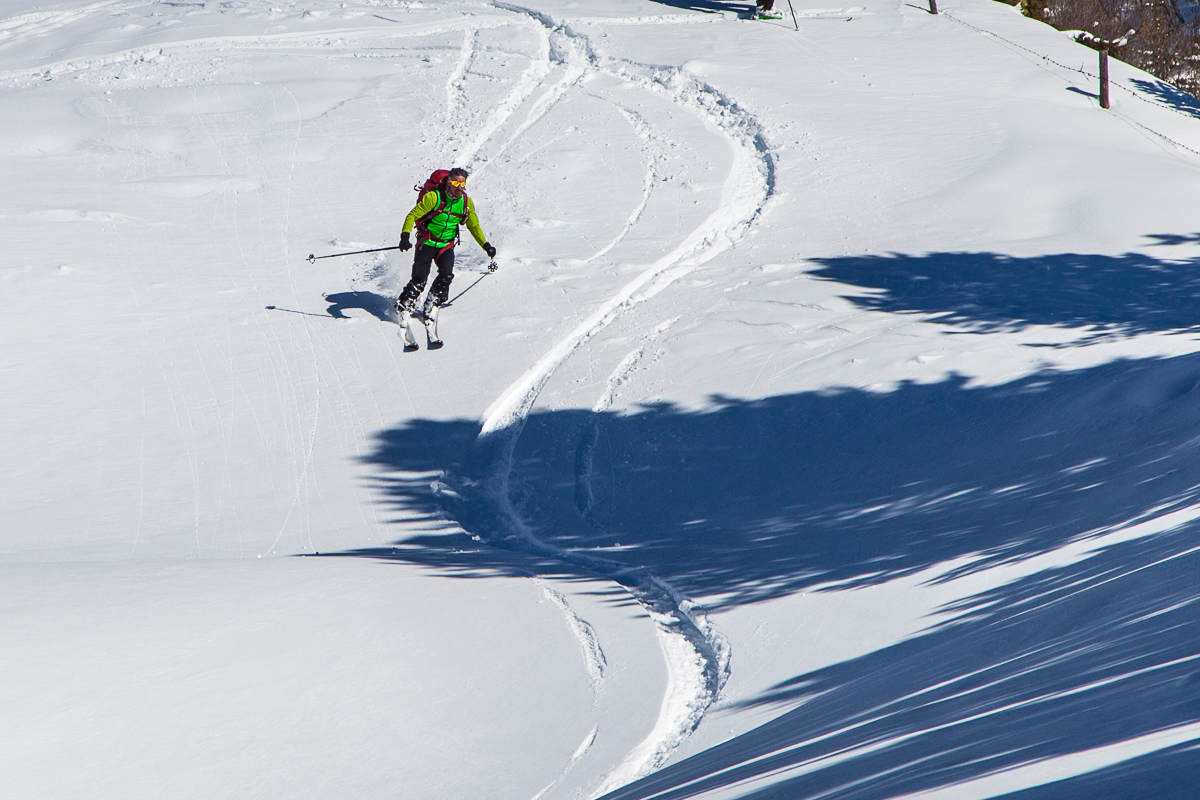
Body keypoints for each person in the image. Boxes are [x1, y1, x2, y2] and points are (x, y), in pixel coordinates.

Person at [394, 167, 497, 317]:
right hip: (427, 241)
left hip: (446, 245)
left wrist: (486, 246)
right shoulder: (434, 198)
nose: (459, 188)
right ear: (448, 183)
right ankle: (403, 306)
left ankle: (432, 303)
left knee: (446, 276)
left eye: (462, 184)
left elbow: (473, 226)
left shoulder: (466, 204)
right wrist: (404, 237)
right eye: (455, 183)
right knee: (419, 279)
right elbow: (412, 215)